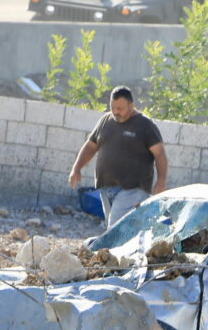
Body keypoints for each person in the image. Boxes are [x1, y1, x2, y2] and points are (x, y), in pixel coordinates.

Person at [69, 86, 168, 227]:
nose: (116, 112)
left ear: (131, 105)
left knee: (115, 229)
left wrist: (161, 181)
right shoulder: (105, 121)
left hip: (133, 189)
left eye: (120, 108)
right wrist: (76, 168)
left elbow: (159, 153)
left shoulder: (145, 125)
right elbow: (91, 146)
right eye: (113, 107)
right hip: (106, 189)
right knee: (121, 232)